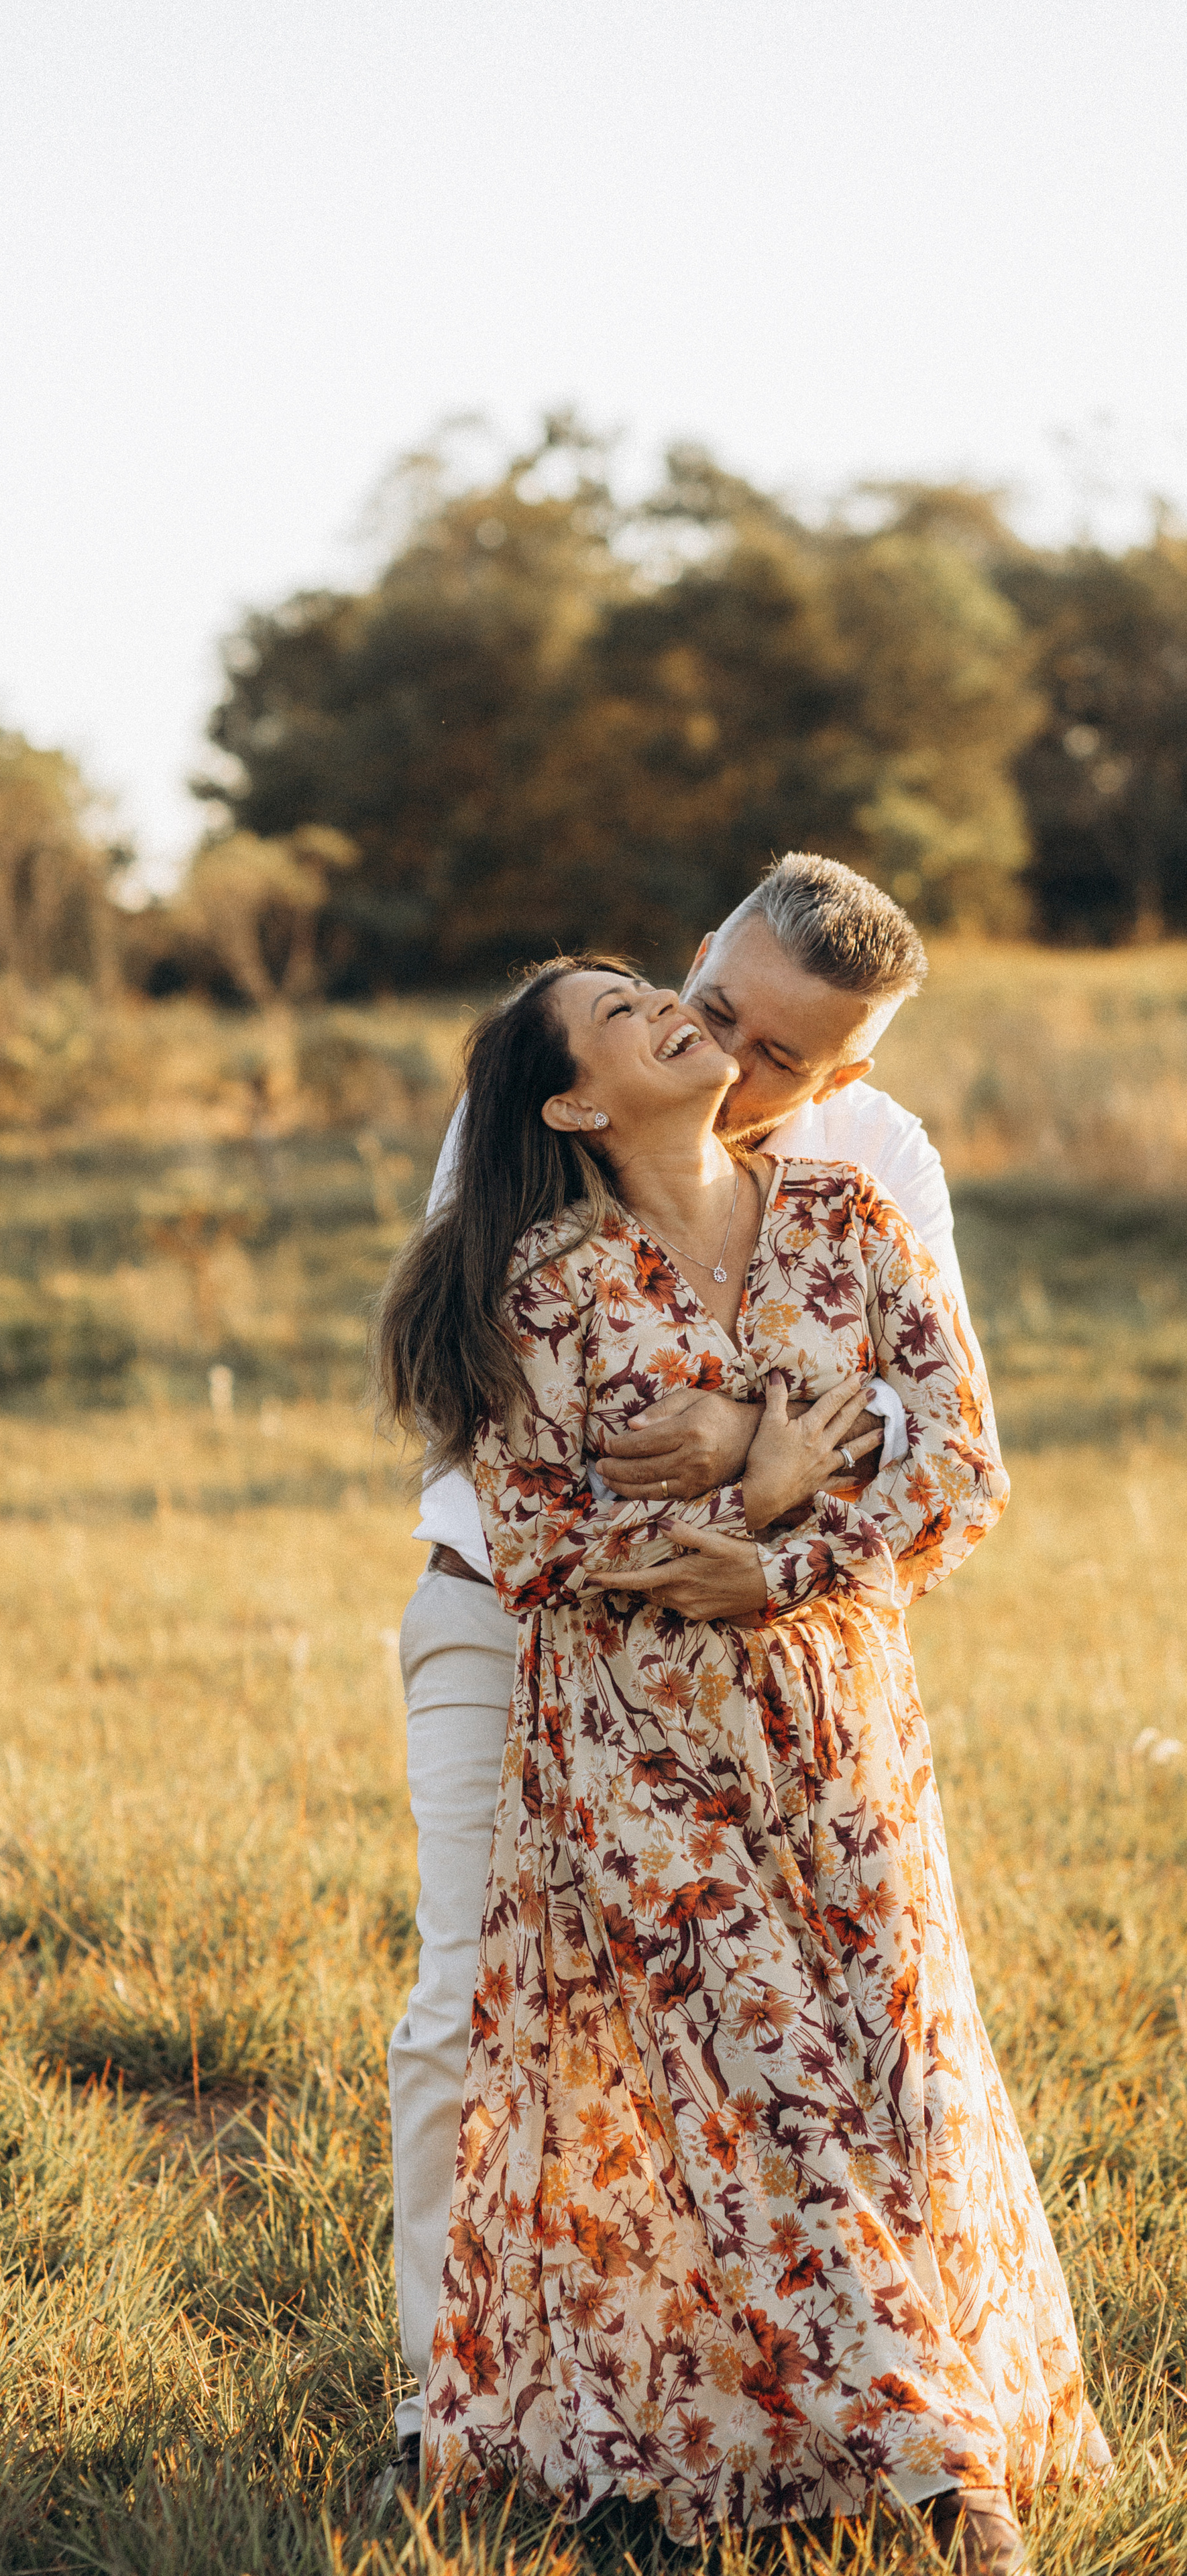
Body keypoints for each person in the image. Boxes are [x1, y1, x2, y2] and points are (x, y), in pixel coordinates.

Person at [374, 951, 1107, 2566]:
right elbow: (541, 1539)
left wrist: (772, 1508)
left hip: (841, 1729)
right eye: (624, 1008)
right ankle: (934, 2467)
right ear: (574, 1101)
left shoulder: (853, 1213)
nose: (664, 1011)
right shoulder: (539, 1280)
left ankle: (820, 2431)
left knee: (888, 2072)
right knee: (764, 2087)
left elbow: (961, 1466)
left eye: (656, 991)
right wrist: (775, 1468)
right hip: (631, 1756)